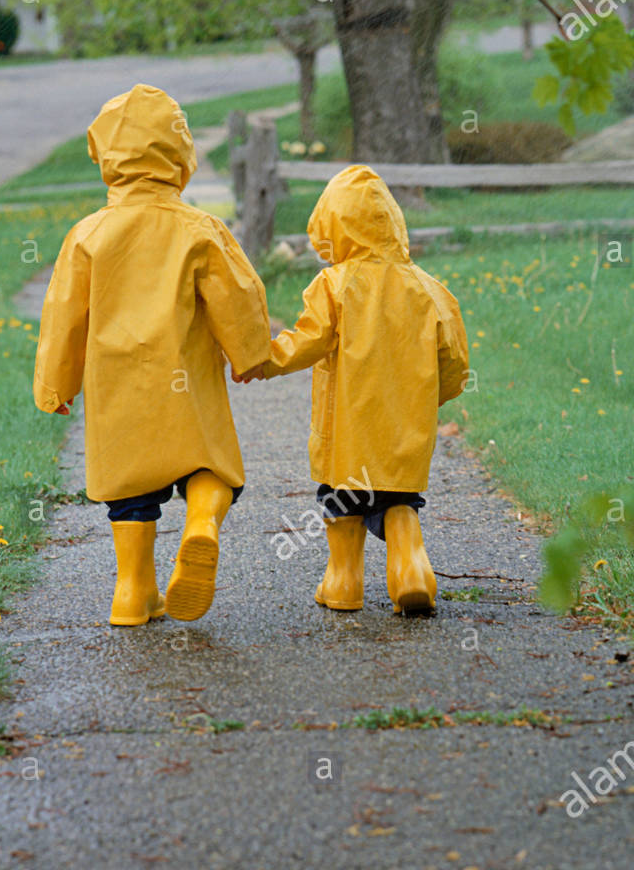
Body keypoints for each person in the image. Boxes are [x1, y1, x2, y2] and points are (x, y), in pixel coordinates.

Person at [33, 84, 271, 626]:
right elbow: (238, 295)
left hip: (119, 390)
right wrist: (249, 353)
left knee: (130, 491)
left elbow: (65, 315)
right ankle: (201, 527)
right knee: (211, 468)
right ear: (180, 156)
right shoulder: (199, 229)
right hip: (185, 381)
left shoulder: (88, 235)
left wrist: (56, 384)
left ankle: (132, 592)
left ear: (106, 158)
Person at [237, 165, 469, 615]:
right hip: (404, 433)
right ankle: (412, 572)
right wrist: (430, 397)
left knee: (342, 500)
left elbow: (307, 340)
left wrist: (263, 361)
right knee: (399, 501)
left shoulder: (335, 285)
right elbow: (455, 360)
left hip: (347, 434)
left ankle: (344, 584)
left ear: (336, 227)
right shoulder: (429, 290)